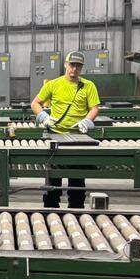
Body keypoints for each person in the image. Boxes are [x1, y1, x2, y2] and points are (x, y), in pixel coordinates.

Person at [30, 50, 101, 209]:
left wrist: (87, 121)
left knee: (77, 183)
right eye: (72, 65)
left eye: (78, 66)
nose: (74, 69)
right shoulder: (53, 84)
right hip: (56, 138)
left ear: (82, 68)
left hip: (79, 140)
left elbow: (94, 108)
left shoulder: (88, 86)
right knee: (52, 183)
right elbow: (35, 103)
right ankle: (51, 212)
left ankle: (76, 213)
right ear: (65, 65)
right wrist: (43, 117)